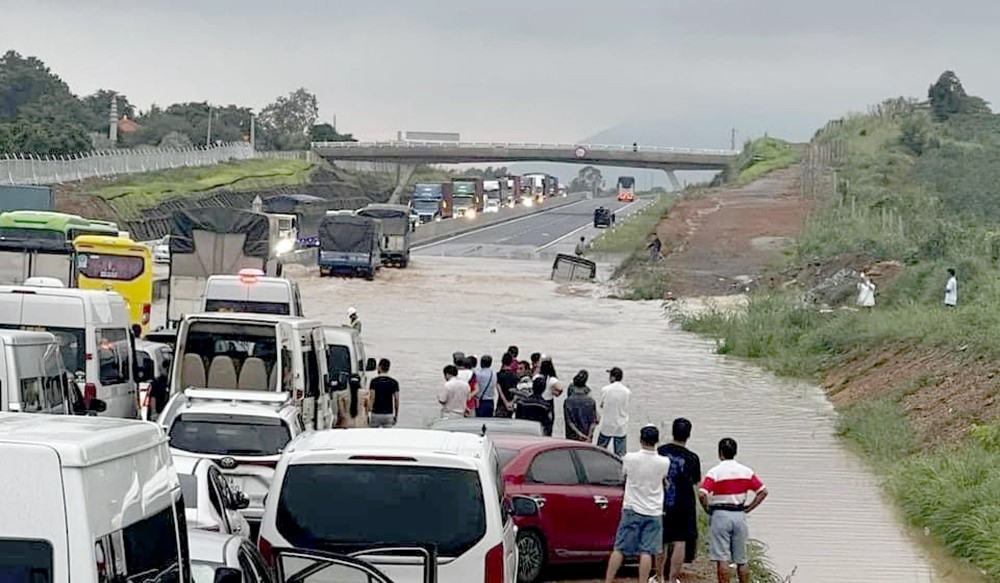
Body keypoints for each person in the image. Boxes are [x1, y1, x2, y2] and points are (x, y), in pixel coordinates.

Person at [603, 425, 671, 583]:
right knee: (646, 551)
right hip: (653, 511)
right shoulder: (664, 462)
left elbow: (624, 476)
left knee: (619, 548)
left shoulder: (630, 458)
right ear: (657, 441)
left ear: (640, 439)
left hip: (631, 508)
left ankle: (608, 580)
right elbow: (664, 480)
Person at [699, 438, 769, 583]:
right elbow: (762, 492)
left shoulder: (715, 472)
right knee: (741, 559)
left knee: (722, 558)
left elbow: (702, 493)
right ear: (735, 452)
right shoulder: (746, 471)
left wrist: (706, 508)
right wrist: (749, 508)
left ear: (720, 453)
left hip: (720, 514)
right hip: (739, 514)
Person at [655, 418, 702, 583]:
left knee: (662, 540)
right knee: (680, 540)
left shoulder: (660, 451)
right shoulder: (692, 458)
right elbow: (695, 482)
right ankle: (672, 578)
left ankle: (659, 577)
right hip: (683, 503)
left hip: (662, 500)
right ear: (688, 435)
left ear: (672, 432)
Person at [597, 367, 631, 457]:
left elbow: (602, 405)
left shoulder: (605, 389)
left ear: (613, 377)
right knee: (620, 455)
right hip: (621, 425)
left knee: (600, 451)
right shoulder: (627, 392)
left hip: (607, 424)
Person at [563, 370, 598, 441]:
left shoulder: (568, 401)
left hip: (572, 437)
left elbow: (569, 422)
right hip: (587, 436)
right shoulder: (591, 401)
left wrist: (579, 434)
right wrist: (589, 435)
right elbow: (593, 421)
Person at [368, 358, 399, 428]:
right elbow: (396, 400)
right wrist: (396, 415)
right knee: (387, 436)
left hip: (376, 414)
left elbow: (372, 398)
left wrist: (369, 413)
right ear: (388, 368)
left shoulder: (374, 381)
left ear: (379, 367)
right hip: (388, 414)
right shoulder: (394, 382)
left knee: (373, 435)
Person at [495, 353, 519, 418]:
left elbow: (499, 390)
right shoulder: (515, 376)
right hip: (511, 403)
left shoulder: (499, 375)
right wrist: (511, 402)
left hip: (501, 403)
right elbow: (517, 390)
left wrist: (505, 402)